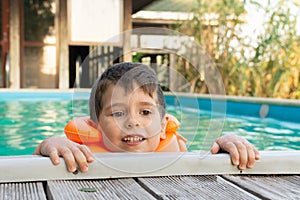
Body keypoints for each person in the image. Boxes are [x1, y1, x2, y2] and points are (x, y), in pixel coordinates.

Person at [34, 62, 260, 173]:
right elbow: (34, 161)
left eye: (145, 112)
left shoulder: (175, 156)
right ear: (96, 127)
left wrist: (224, 144)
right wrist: (51, 144)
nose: (133, 121)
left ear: (163, 127)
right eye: (118, 113)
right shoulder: (85, 153)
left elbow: (205, 162)